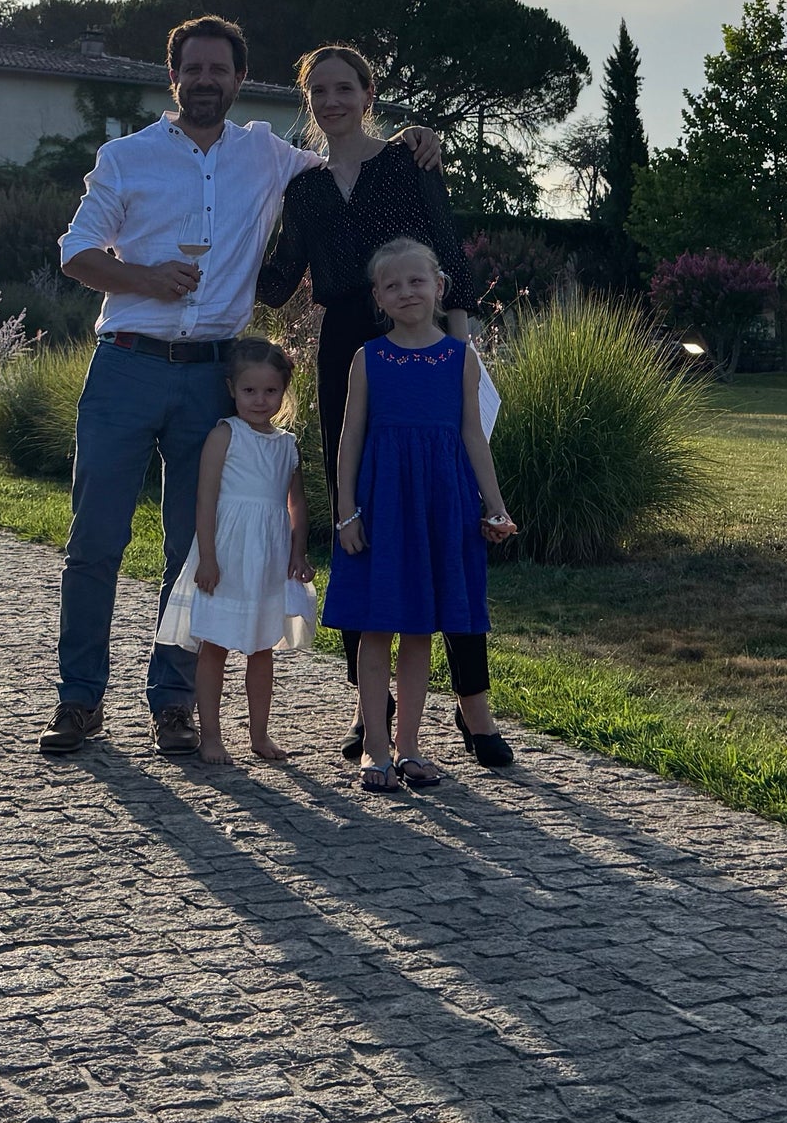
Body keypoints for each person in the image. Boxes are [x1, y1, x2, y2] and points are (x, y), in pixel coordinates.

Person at [42, 15, 440, 758]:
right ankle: (78, 698)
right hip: (124, 364)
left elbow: (345, 153)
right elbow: (75, 252)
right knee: (94, 540)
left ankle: (172, 702)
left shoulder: (264, 153)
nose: (204, 80)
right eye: (191, 68)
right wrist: (143, 277)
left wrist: (416, 137)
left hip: (210, 377)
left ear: (235, 79)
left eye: (218, 70)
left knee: (192, 549)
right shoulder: (125, 157)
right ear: (173, 77)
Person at [257, 44, 515, 769]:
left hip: (426, 343)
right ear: (308, 101)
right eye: (320, 91)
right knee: (357, 517)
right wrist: (213, 245)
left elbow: (450, 260)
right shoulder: (303, 190)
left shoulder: (409, 161)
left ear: (369, 93)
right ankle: (370, 711)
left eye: (345, 87)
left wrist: (459, 357)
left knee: (448, 518)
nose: (332, 101)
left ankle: (473, 705)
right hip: (346, 347)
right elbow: (277, 282)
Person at [324, 239, 517, 793]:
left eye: (416, 281)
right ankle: (375, 750)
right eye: (392, 285)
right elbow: (350, 438)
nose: (406, 292)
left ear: (438, 287)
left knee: (419, 631)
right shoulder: (369, 357)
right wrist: (346, 513)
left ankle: (409, 747)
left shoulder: (461, 357)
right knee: (376, 625)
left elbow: (473, 436)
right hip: (382, 505)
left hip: (441, 503)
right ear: (378, 298)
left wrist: (495, 506)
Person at [155, 337, 315, 765]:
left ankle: (259, 735)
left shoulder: (286, 444)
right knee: (216, 645)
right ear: (232, 388)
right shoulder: (224, 435)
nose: (260, 400)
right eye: (250, 391)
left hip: (267, 558)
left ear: (283, 392)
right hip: (226, 555)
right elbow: (205, 499)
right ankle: (211, 736)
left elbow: (295, 502)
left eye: (270, 391)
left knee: (262, 648)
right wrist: (207, 557)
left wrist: (298, 551)